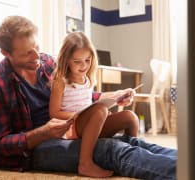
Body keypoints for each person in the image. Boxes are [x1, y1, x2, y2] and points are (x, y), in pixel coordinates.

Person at [0, 15, 177, 179]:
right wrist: (44, 132)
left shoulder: (47, 63)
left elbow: (77, 94)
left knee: (133, 142)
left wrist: (112, 96)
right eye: (26, 54)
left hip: (73, 128)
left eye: (36, 47)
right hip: (35, 149)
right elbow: (2, 145)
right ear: (6, 53)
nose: (36, 56)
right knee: (112, 149)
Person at [50, 31, 139, 177]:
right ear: (66, 60)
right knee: (100, 110)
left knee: (130, 117)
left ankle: (132, 157)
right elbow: (53, 113)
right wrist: (78, 115)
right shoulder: (60, 81)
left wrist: (114, 100)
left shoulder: (89, 79)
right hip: (73, 127)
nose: (83, 66)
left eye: (87, 60)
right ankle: (85, 164)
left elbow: (90, 102)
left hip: (90, 125)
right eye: (77, 61)